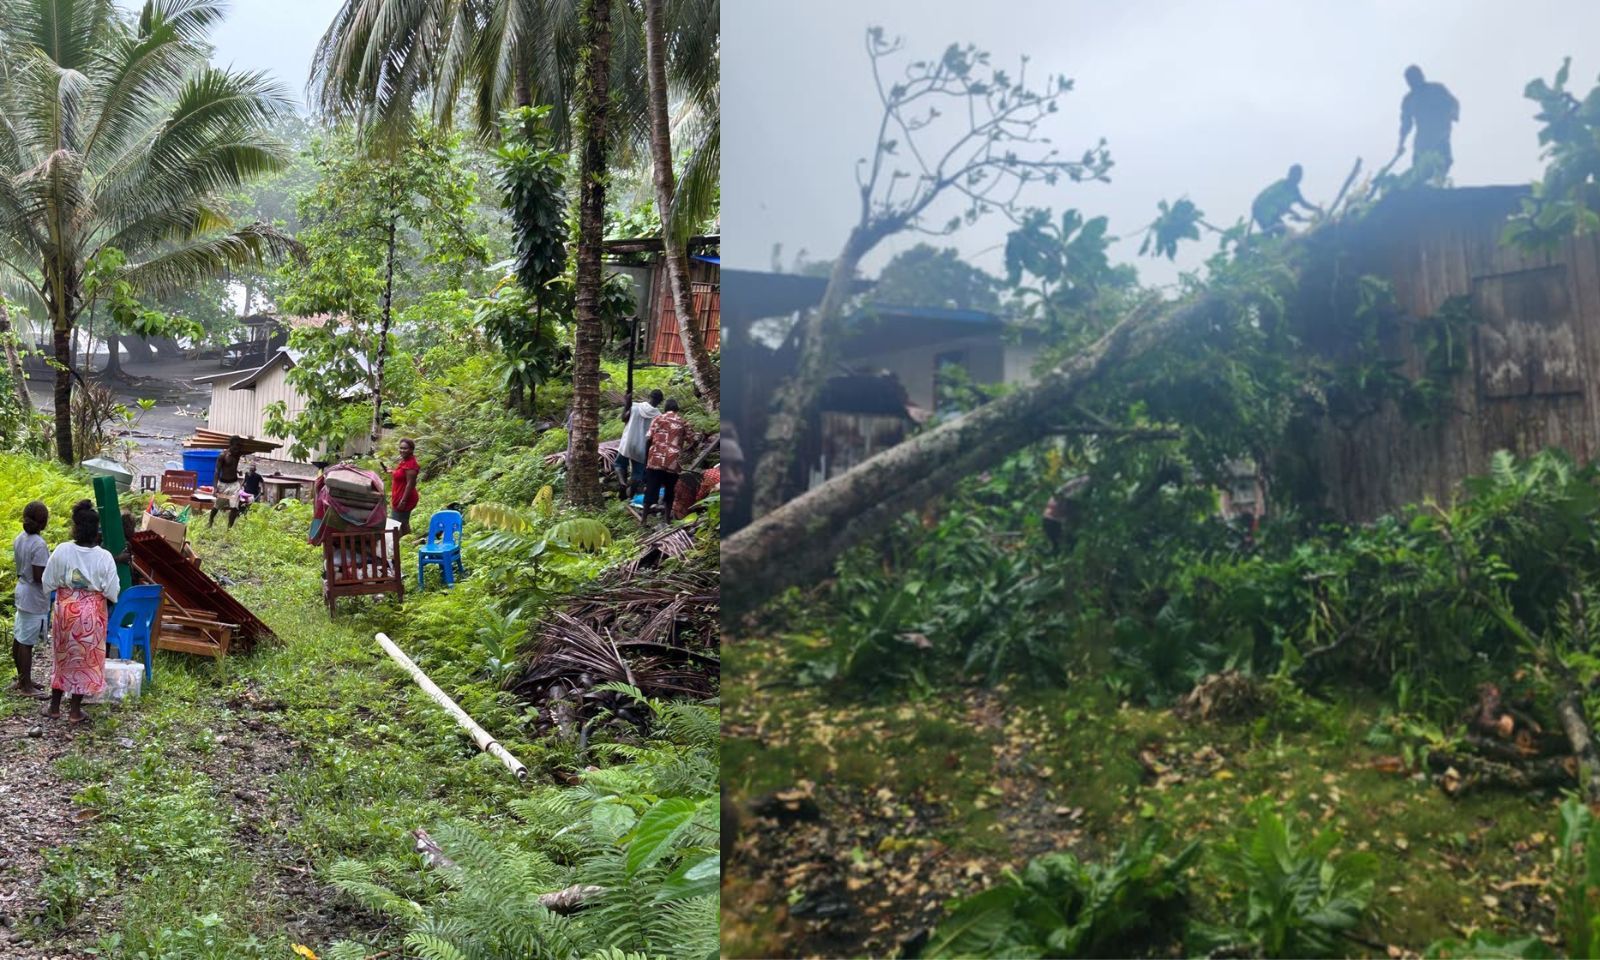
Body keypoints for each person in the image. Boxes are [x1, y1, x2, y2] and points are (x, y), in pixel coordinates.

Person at [42, 500, 121, 725]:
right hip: (92, 613)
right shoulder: (104, 557)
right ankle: (75, 711)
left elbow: (47, 582)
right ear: (97, 531)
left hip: (66, 610)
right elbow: (113, 590)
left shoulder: (62, 550)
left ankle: (54, 707)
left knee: (62, 657)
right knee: (85, 661)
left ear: (74, 527)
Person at [11, 501, 50, 698]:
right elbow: (38, 576)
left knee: (20, 636)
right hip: (33, 596)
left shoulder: (20, 538)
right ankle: (26, 686)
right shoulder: (39, 544)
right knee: (27, 642)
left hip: (22, 589)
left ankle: (22, 678)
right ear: (43, 522)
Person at [1399, 65, 1459, 180]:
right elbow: (1406, 124)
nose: (1413, 82)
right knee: (1419, 174)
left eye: (1415, 78)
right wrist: (1401, 144)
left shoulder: (1437, 89)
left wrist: (1453, 113)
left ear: (1421, 76)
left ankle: (1439, 187)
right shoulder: (1409, 99)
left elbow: (1453, 102)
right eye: (1410, 80)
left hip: (1441, 137)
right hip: (1422, 144)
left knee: (1443, 164)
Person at [642, 398, 696, 524]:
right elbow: (693, 440)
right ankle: (667, 519)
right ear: (677, 409)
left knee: (651, 488)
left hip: (655, 460)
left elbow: (648, 439)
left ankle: (643, 519)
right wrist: (686, 449)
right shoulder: (682, 421)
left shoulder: (658, 419)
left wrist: (646, 459)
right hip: (673, 462)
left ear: (665, 408)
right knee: (670, 490)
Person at [617, 389, 664, 496]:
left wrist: (626, 404)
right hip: (642, 447)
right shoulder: (659, 416)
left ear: (649, 396)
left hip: (627, 443)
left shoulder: (635, 406)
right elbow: (655, 436)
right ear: (660, 401)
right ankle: (631, 494)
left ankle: (622, 482)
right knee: (637, 474)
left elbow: (623, 418)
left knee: (619, 464)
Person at [1251, 164, 1321, 235]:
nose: (1298, 178)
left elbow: (1303, 204)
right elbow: (1271, 200)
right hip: (1262, 210)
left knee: (1283, 233)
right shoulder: (1281, 185)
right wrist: (1293, 212)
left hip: (1273, 214)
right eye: (1296, 175)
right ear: (1290, 174)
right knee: (1276, 233)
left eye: (1300, 175)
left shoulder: (1295, 191)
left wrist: (1317, 209)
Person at [208, 436, 245, 528]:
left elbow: (252, 450)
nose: (237, 449)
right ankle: (210, 520)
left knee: (234, 507)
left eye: (239, 447)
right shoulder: (222, 456)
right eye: (236, 447)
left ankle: (229, 528)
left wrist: (250, 440)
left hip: (234, 484)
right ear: (231, 445)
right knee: (217, 506)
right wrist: (215, 487)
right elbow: (217, 472)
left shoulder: (238, 453)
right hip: (223, 484)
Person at [388, 438, 421, 536]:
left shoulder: (411, 464)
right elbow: (402, 474)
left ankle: (398, 545)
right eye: (401, 448)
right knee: (403, 522)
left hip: (405, 498)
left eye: (405, 448)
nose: (402, 450)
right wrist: (392, 471)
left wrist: (403, 501)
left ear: (411, 450)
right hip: (400, 496)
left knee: (395, 524)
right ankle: (408, 542)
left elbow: (411, 484)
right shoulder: (404, 461)